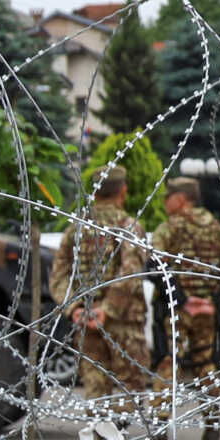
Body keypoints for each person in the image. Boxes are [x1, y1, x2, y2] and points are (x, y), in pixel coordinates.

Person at [51, 171, 153, 411]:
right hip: (123, 321)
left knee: (96, 390)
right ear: (123, 191)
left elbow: (59, 275)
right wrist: (107, 309)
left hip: (86, 319)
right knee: (131, 387)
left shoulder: (77, 228)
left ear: (94, 192)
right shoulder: (128, 227)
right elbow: (130, 273)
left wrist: (74, 308)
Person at [150, 174, 220, 440]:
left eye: (168, 198)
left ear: (180, 199)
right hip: (207, 312)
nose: (165, 203)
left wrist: (179, 298)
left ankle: (159, 423)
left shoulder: (169, 228)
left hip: (178, 311)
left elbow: (155, 265)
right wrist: (213, 301)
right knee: (205, 363)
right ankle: (212, 422)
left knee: (169, 363)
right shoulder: (218, 230)